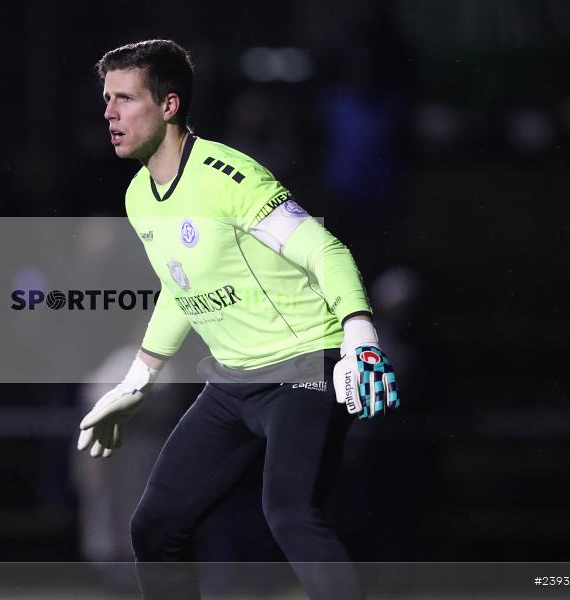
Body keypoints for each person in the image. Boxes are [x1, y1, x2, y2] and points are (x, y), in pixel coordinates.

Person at [77, 39, 400, 600]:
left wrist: (360, 339)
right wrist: (135, 382)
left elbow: (325, 251)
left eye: (125, 98)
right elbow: (181, 290)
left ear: (169, 105)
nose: (109, 113)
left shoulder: (230, 177)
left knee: (291, 514)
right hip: (233, 381)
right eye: (107, 99)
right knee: (155, 526)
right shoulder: (138, 197)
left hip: (305, 366)